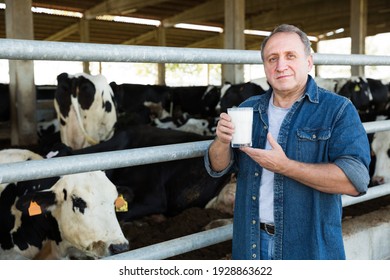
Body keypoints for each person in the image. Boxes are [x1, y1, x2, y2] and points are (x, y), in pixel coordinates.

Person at [204, 24, 371, 260]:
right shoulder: (248, 109)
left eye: (290, 56)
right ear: (265, 66)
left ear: (309, 61)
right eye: (272, 59)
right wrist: (221, 141)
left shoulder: (337, 109)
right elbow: (218, 167)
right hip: (251, 242)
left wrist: (285, 166)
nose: (280, 66)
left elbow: (356, 181)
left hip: (307, 247)